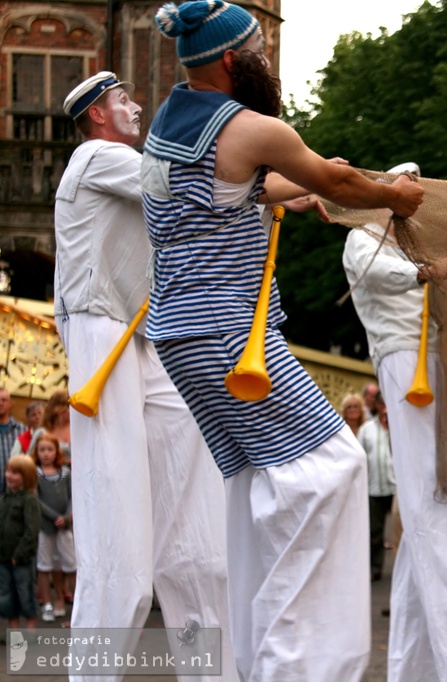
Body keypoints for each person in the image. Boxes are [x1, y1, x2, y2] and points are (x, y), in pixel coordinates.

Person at [143, 3, 424, 678]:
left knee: (253, 487)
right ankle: (301, 665)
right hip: (226, 330)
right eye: (260, 52)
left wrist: (283, 192)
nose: (266, 63)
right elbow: (340, 181)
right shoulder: (254, 125)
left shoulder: (168, 123)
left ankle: (254, 658)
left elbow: (227, 187)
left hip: (181, 334)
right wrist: (397, 195)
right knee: (331, 467)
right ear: (235, 60)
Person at [55, 69, 238, 681]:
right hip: (100, 324)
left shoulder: (125, 163)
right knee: (118, 543)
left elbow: (200, 206)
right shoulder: (96, 155)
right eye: (123, 100)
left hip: (142, 331)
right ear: (98, 116)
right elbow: (180, 184)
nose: (136, 106)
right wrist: (273, 178)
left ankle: (209, 670)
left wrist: (280, 188)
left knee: (197, 542)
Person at [341, 157, 447, 677]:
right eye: (411, 186)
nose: (418, 195)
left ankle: (412, 666)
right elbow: (377, 271)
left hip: (434, 362)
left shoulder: (416, 236)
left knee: (433, 494)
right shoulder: (364, 232)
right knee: (430, 498)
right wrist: (423, 272)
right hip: (403, 359)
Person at [32, 432, 74, 624]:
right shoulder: (35, 473)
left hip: (65, 527)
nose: (46, 454)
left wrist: (66, 517)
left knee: (71, 564)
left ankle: (76, 605)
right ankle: (48, 603)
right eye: (42, 450)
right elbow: (36, 500)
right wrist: (54, 517)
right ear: (37, 452)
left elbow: (73, 496)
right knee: (45, 565)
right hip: (45, 527)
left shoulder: (65, 472)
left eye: (50, 449)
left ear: (56, 451)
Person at [0, 454, 40, 630]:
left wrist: (20, 554)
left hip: (21, 558)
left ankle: (31, 627)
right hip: (3, 557)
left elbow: (32, 530)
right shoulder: (4, 498)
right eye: (8, 471)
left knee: (25, 592)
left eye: (15, 473)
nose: (9, 475)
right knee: (6, 594)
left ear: (27, 477)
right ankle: (14, 628)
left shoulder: (29, 499)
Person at [358, 392, 395, 583]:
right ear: (378, 406)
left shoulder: (400, 427)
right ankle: (375, 568)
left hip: (396, 488)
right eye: (383, 404)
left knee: (401, 531)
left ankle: (402, 571)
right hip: (374, 487)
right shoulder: (366, 429)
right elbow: (360, 457)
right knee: (375, 532)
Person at [0, 389, 27, 490]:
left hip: (16, 491)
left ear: (10, 403)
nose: (1, 403)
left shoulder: (22, 430)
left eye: (4, 400)